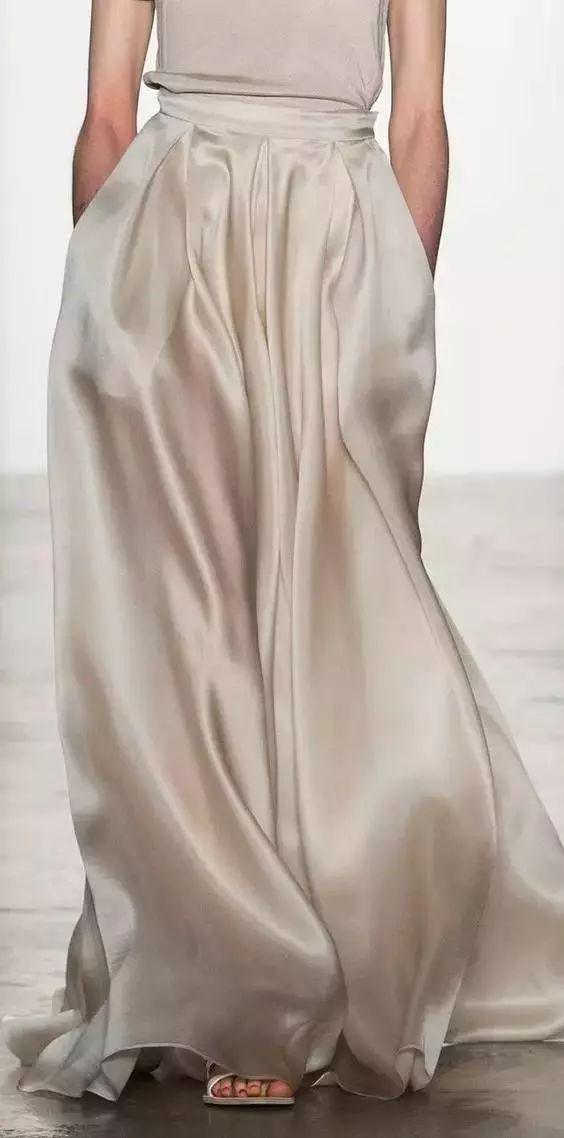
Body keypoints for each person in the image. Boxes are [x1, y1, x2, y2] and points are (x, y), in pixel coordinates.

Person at [3, 0, 564, 1109]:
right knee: (195, 616)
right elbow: (107, 111)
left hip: (335, 251)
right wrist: (106, 307)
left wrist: (399, 310)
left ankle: (326, 940)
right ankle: (244, 985)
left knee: (330, 610)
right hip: (175, 243)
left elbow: (420, 118)